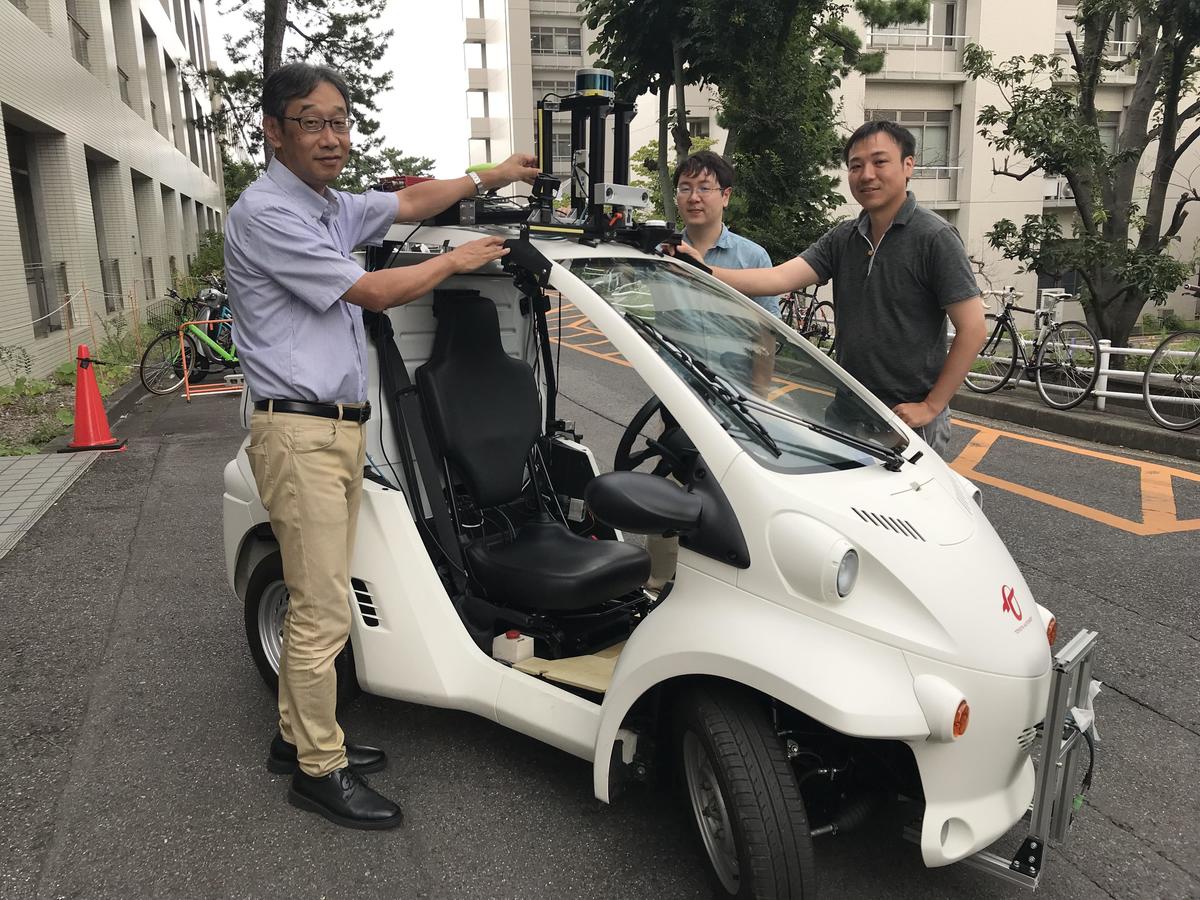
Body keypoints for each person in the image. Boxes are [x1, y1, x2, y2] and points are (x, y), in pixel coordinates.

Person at [224, 62, 537, 830]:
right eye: (312, 121)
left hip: (328, 426)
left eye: (339, 121)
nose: (331, 137)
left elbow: (404, 200)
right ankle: (317, 770)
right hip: (298, 431)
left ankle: (295, 737)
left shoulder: (327, 205)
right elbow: (373, 292)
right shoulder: (270, 213)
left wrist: (487, 174)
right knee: (323, 607)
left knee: (316, 593)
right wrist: (457, 260)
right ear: (273, 130)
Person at [671, 122, 986, 458]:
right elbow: (778, 278)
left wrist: (931, 406)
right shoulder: (845, 237)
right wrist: (705, 269)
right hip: (848, 410)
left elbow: (973, 328)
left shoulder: (934, 237)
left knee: (901, 509)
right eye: (855, 165)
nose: (866, 174)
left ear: (908, 166)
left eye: (879, 162)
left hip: (908, 419)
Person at [673, 150, 780, 316]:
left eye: (704, 188)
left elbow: (769, 332)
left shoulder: (753, 258)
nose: (693, 197)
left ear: (726, 196)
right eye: (685, 188)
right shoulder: (662, 253)